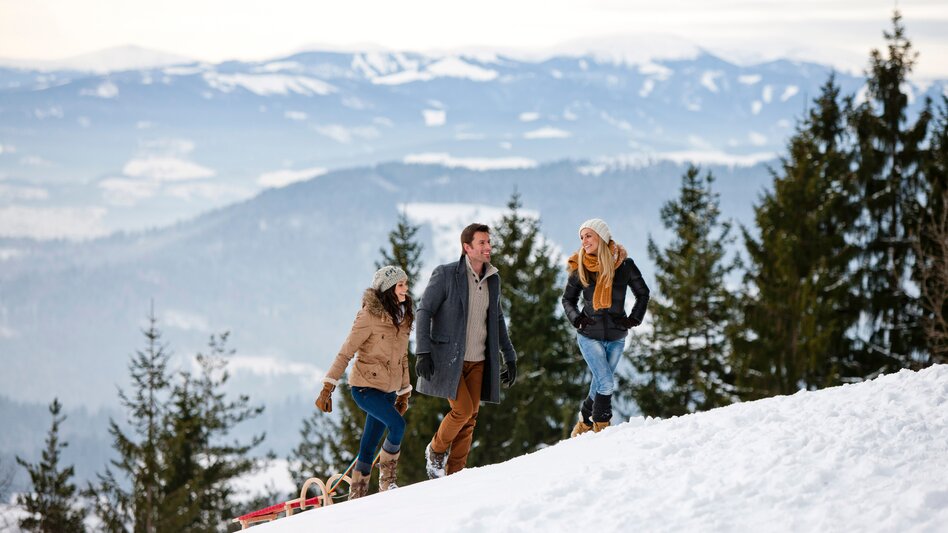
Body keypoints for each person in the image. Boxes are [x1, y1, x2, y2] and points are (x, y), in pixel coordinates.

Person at [415, 223, 517, 479]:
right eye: (481, 243)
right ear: (467, 247)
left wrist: (510, 356)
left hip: (479, 360)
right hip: (450, 359)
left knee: (470, 417)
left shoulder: (493, 278)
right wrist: (422, 352)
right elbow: (424, 310)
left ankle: (455, 473)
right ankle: (436, 450)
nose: (487, 247)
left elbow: (497, 319)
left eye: (488, 242)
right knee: (462, 410)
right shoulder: (447, 274)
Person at [314, 265, 414, 500]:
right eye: (401, 285)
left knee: (368, 446)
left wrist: (404, 393)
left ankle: (356, 496)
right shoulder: (368, 316)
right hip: (365, 388)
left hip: (388, 391)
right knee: (397, 426)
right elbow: (345, 352)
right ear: (389, 289)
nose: (406, 289)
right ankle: (387, 482)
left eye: (406, 284)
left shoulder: (405, 318)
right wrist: (328, 387)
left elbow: (402, 358)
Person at [562, 218, 649, 436]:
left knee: (599, 383)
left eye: (588, 235)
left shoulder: (625, 265)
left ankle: (583, 422)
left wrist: (633, 319)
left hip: (617, 336)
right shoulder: (580, 266)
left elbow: (643, 293)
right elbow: (567, 300)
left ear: (602, 237)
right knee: (607, 383)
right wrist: (577, 319)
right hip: (589, 335)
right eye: (582, 237)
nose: (584, 241)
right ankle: (602, 427)